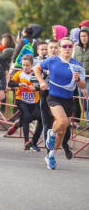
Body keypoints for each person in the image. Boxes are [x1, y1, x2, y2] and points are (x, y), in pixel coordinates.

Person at [34, 37, 88, 170]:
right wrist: (41, 82)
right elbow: (37, 68)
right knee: (62, 121)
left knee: (62, 132)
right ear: (59, 48)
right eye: (64, 46)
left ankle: (51, 156)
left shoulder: (77, 65)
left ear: (73, 48)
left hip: (68, 100)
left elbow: (82, 85)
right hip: (54, 97)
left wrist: (78, 79)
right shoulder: (52, 60)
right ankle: (51, 133)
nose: (67, 48)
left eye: (70, 46)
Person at [8, 55, 42, 151]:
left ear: (32, 65)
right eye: (23, 65)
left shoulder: (36, 75)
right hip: (21, 99)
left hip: (33, 101)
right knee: (26, 117)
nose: (25, 67)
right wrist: (19, 84)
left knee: (35, 117)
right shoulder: (19, 74)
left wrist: (35, 88)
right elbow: (10, 83)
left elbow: (42, 86)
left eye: (28, 65)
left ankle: (17, 125)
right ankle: (27, 141)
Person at [73, 27, 89, 122]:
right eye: (81, 36)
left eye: (85, 36)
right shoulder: (77, 48)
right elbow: (74, 62)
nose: (83, 38)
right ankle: (87, 122)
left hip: (88, 78)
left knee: (88, 99)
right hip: (79, 78)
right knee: (82, 101)